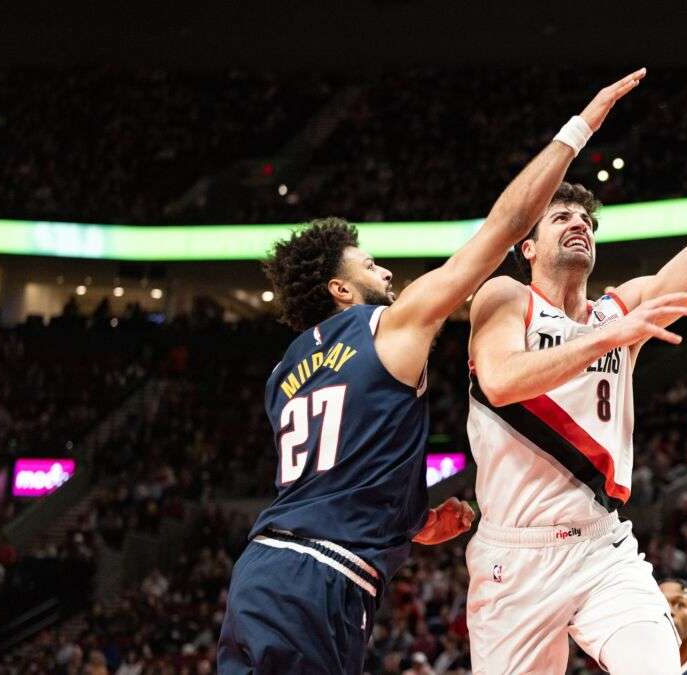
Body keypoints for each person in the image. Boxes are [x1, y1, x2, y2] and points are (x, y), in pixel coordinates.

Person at [217, 68, 648, 675]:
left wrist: (411, 519)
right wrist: (579, 128)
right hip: (321, 577)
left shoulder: (283, 372)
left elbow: (337, 465)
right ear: (340, 288)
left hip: (262, 570)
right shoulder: (386, 326)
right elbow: (504, 228)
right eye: (369, 265)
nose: (386, 273)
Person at [463, 56, 687, 674]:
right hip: (514, 557)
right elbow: (501, 381)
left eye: (587, 220)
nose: (579, 225)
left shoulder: (621, 307)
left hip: (601, 546)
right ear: (527, 246)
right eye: (561, 217)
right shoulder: (505, 298)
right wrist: (612, 338)